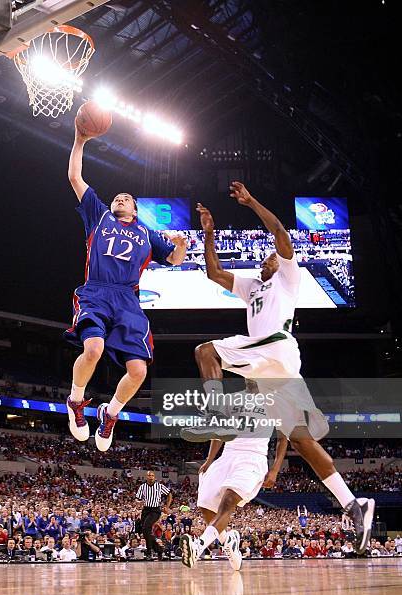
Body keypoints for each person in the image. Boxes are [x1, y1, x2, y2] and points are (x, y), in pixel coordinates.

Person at [186, 184, 374, 555]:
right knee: (302, 441)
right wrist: (208, 232)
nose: (267, 260)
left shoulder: (289, 278)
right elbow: (213, 273)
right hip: (268, 367)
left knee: (205, 351)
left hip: (276, 346)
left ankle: (217, 411)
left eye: (271, 257)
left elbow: (281, 234)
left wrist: (252, 201)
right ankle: (355, 504)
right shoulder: (252, 286)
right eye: (267, 258)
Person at [65, 123, 187, 451]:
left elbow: (174, 260)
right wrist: (80, 139)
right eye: (118, 196)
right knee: (93, 349)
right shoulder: (99, 215)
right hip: (98, 290)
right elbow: (75, 178)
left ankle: (111, 413)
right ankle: (76, 402)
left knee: (138, 371)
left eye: (127, 198)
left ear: (134, 209)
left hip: (128, 301)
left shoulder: (147, 234)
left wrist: (181, 243)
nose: (120, 198)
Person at [180, 411, 288, 570]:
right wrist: (209, 460)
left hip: (253, 458)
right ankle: (229, 543)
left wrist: (275, 470)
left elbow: (282, 438)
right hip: (227, 456)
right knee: (206, 505)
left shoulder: (275, 402)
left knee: (229, 501)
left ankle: (198, 546)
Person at [135, 471, 172, 561]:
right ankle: (159, 550)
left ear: (154, 477)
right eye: (149, 475)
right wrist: (139, 502)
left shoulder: (159, 486)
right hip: (146, 510)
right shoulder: (142, 487)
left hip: (155, 510)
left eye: (152, 475)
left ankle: (149, 551)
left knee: (146, 527)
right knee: (145, 531)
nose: (151, 477)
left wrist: (167, 506)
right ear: (146, 477)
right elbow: (137, 499)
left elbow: (169, 494)